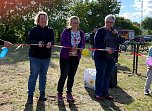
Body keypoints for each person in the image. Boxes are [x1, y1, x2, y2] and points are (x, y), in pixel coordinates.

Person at [94, 14, 124, 101]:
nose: (109, 24)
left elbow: (121, 41)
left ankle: (105, 93)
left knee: (107, 76)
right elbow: (97, 42)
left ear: (113, 23)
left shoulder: (115, 31)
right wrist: (105, 48)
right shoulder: (100, 31)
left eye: (111, 22)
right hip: (101, 56)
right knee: (100, 75)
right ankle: (98, 93)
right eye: (107, 22)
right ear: (105, 22)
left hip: (111, 57)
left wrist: (117, 34)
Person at [27, 12, 55, 104]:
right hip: (35, 57)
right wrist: (37, 43)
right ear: (38, 20)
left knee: (43, 76)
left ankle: (42, 94)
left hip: (46, 57)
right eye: (41, 18)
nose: (43, 20)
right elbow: (29, 40)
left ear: (47, 20)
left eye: (45, 18)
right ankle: (30, 95)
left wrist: (51, 43)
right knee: (33, 75)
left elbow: (53, 40)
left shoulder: (50, 30)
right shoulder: (33, 29)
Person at [57, 16, 85, 102]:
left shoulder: (81, 33)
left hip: (76, 57)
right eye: (74, 22)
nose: (75, 24)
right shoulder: (66, 31)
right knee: (64, 75)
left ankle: (69, 93)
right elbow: (63, 42)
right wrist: (71, 47)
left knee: (71, 76)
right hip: (65, 57)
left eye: (77, 23)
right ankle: (59, 93)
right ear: (70, 23)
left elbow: (83, 44)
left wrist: (80, 47)